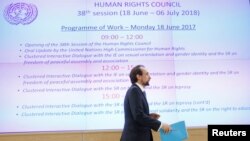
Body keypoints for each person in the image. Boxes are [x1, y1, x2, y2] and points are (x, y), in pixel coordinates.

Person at [120, 65, 171, 141]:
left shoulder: (139, 91)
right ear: (138, 76)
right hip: (135, 137)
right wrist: (160, 125)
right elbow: (138, 116)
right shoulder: (134, 90)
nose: (150, 77)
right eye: (147, 74)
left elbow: (138, 114)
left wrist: (148, 116)